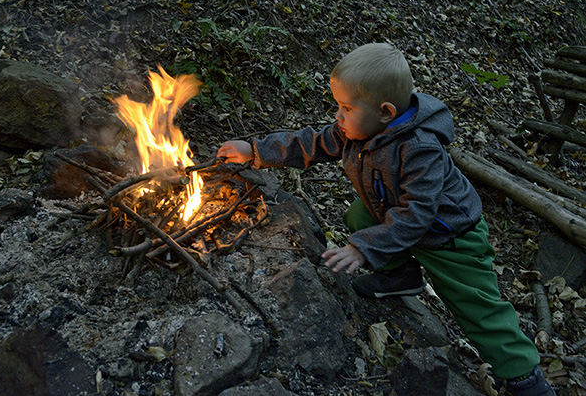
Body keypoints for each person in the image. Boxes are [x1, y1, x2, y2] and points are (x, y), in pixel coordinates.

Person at [217, 43, 556, 396]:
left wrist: (363, 249)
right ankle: (400, 275)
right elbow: (311, 143)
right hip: (397, 212)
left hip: (450, 237)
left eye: (346, 108)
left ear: (385, 112)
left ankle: (523, 376)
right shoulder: (357, 129)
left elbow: (417, 214)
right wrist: (255, 151)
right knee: (358, 214)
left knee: (477, 307)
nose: (338, 116)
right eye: (338, 106)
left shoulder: (420, 148)